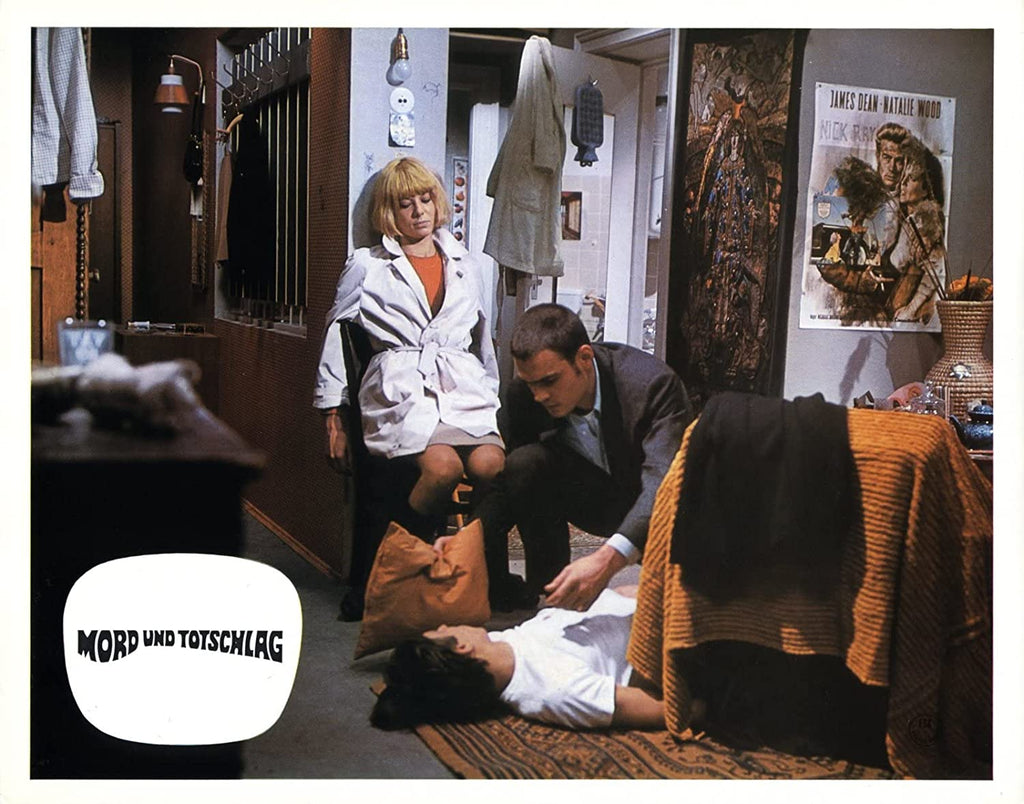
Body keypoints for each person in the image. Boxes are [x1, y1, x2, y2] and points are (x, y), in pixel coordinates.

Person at [453, 303, 693, 612]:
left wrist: (607, 559)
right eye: (531, 383)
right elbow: (508, 486)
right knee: (525, 463)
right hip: (593, 497)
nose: (539, 395)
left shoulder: (651, 385)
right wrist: (466, 542)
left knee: (678, 610)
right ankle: (553, 597)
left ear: (584, 358)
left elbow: (663, 485)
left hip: (662, 508)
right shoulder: (524, 396)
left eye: (549, 381)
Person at [314, 156, 505, 541]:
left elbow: (483, 342)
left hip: (462, 390)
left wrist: (491, 394)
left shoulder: (468, 265)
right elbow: (335, 338)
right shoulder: (367, 265)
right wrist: (333, 418)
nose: (419, 211)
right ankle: (402, 558)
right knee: (443, 468)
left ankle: (475, 562)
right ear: (389, 212)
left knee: (492, 465)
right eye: (406, 204)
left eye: (425, 199)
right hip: (402, 391)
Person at [370, 586, 700, 731]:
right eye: (440, 630)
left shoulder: (498, 646)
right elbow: (668, 711)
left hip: (646, 600)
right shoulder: (554, 690)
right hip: (688, 631)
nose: (445, 625)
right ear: (462, 648)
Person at [886, 137, 946, 323]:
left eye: (910, 179)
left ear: (926, 189)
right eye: (902, 178)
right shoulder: (908, 220)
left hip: (907, 305)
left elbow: (936, 268)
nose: (902, 184)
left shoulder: (925, 222)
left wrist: (911, 309)